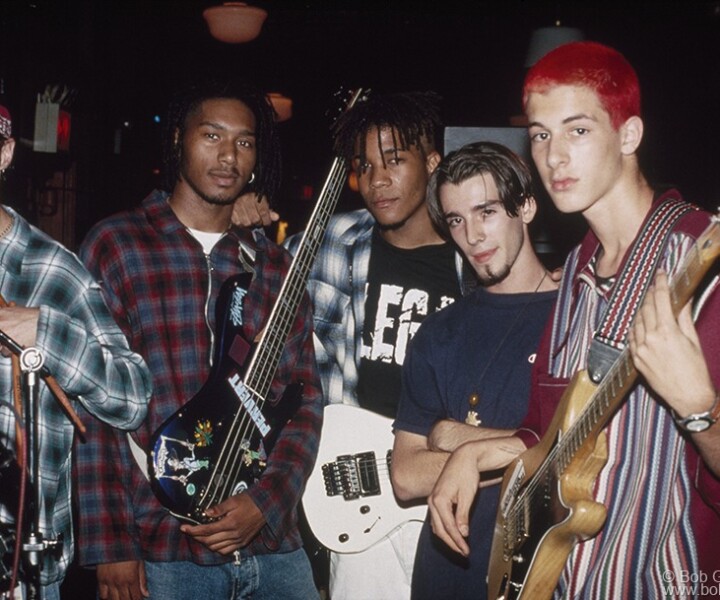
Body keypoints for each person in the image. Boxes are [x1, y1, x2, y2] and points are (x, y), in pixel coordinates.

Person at [428, 41, 720, 599]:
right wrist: (473, 453)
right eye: (540, 135)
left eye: (577, 130)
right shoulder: (575, 276)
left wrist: (700, 410)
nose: (553, 156)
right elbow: (548, 432)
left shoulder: (699, 265)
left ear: (628, 136)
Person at [75, 79, 323, 600]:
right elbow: (91, 407)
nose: (228, 155)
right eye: (211, 135)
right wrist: (111, 544)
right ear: (177, 142)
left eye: (245, 141)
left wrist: (267, 502)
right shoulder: (117, 246)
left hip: (275, 550)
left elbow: (303, 400)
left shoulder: (276, 267)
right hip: (161, 552)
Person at [235, 91, 472, 600]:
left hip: (454, 491)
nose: (378, 179)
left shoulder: (475, 258)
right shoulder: (333, 242)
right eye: (365, 165)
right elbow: (245, 295)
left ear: (433, 163)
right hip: (360, 496)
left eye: (395, 160)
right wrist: (235, 217)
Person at [391, 141, 558, 600]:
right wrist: (519, 444)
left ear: (524, 206)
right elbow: (405, 475)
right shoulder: (439, 334)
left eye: (486, 212)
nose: (473, 236)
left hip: (545, 575)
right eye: (457, 220)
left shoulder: (574, 317)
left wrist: (455, 438)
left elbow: (577, 452)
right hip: (446, 578)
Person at [0, 104, 151, 600]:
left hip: (18, 567)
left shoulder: (52, 271)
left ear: (4, 154)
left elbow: (133, 397)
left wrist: (45, 332)